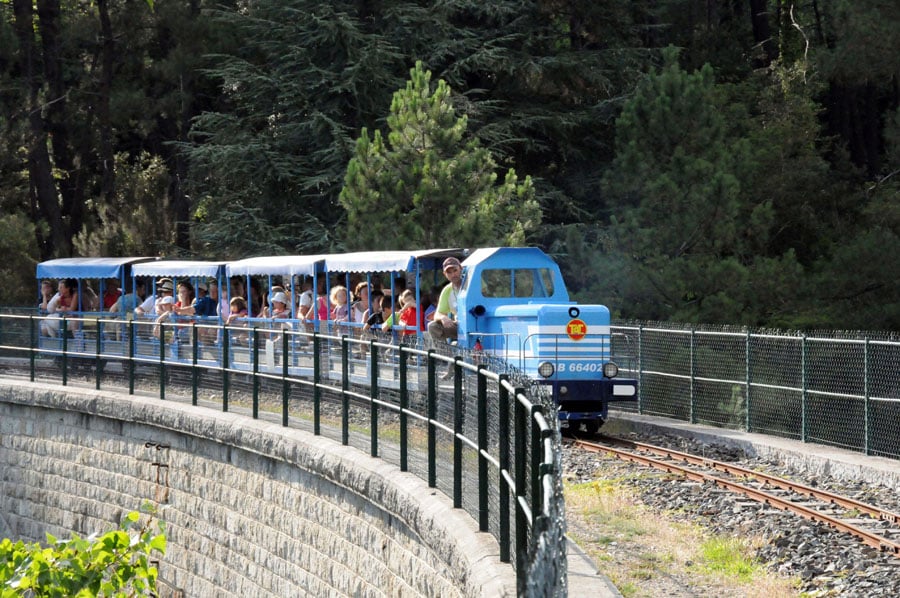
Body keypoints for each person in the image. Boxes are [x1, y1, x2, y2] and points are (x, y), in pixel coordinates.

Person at [428, 257, 464, 378]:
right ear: (445, 274)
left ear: (461, 269)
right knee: (433, 326)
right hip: (458, 326)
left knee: (458, 345)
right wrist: (443, 318)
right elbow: (437, 313)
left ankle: (453, 364)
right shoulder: (447, 290)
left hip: (476, 325)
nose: (453, 274)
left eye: (455, 270)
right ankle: (448, 359)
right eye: (449, 272)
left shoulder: (471, 283)